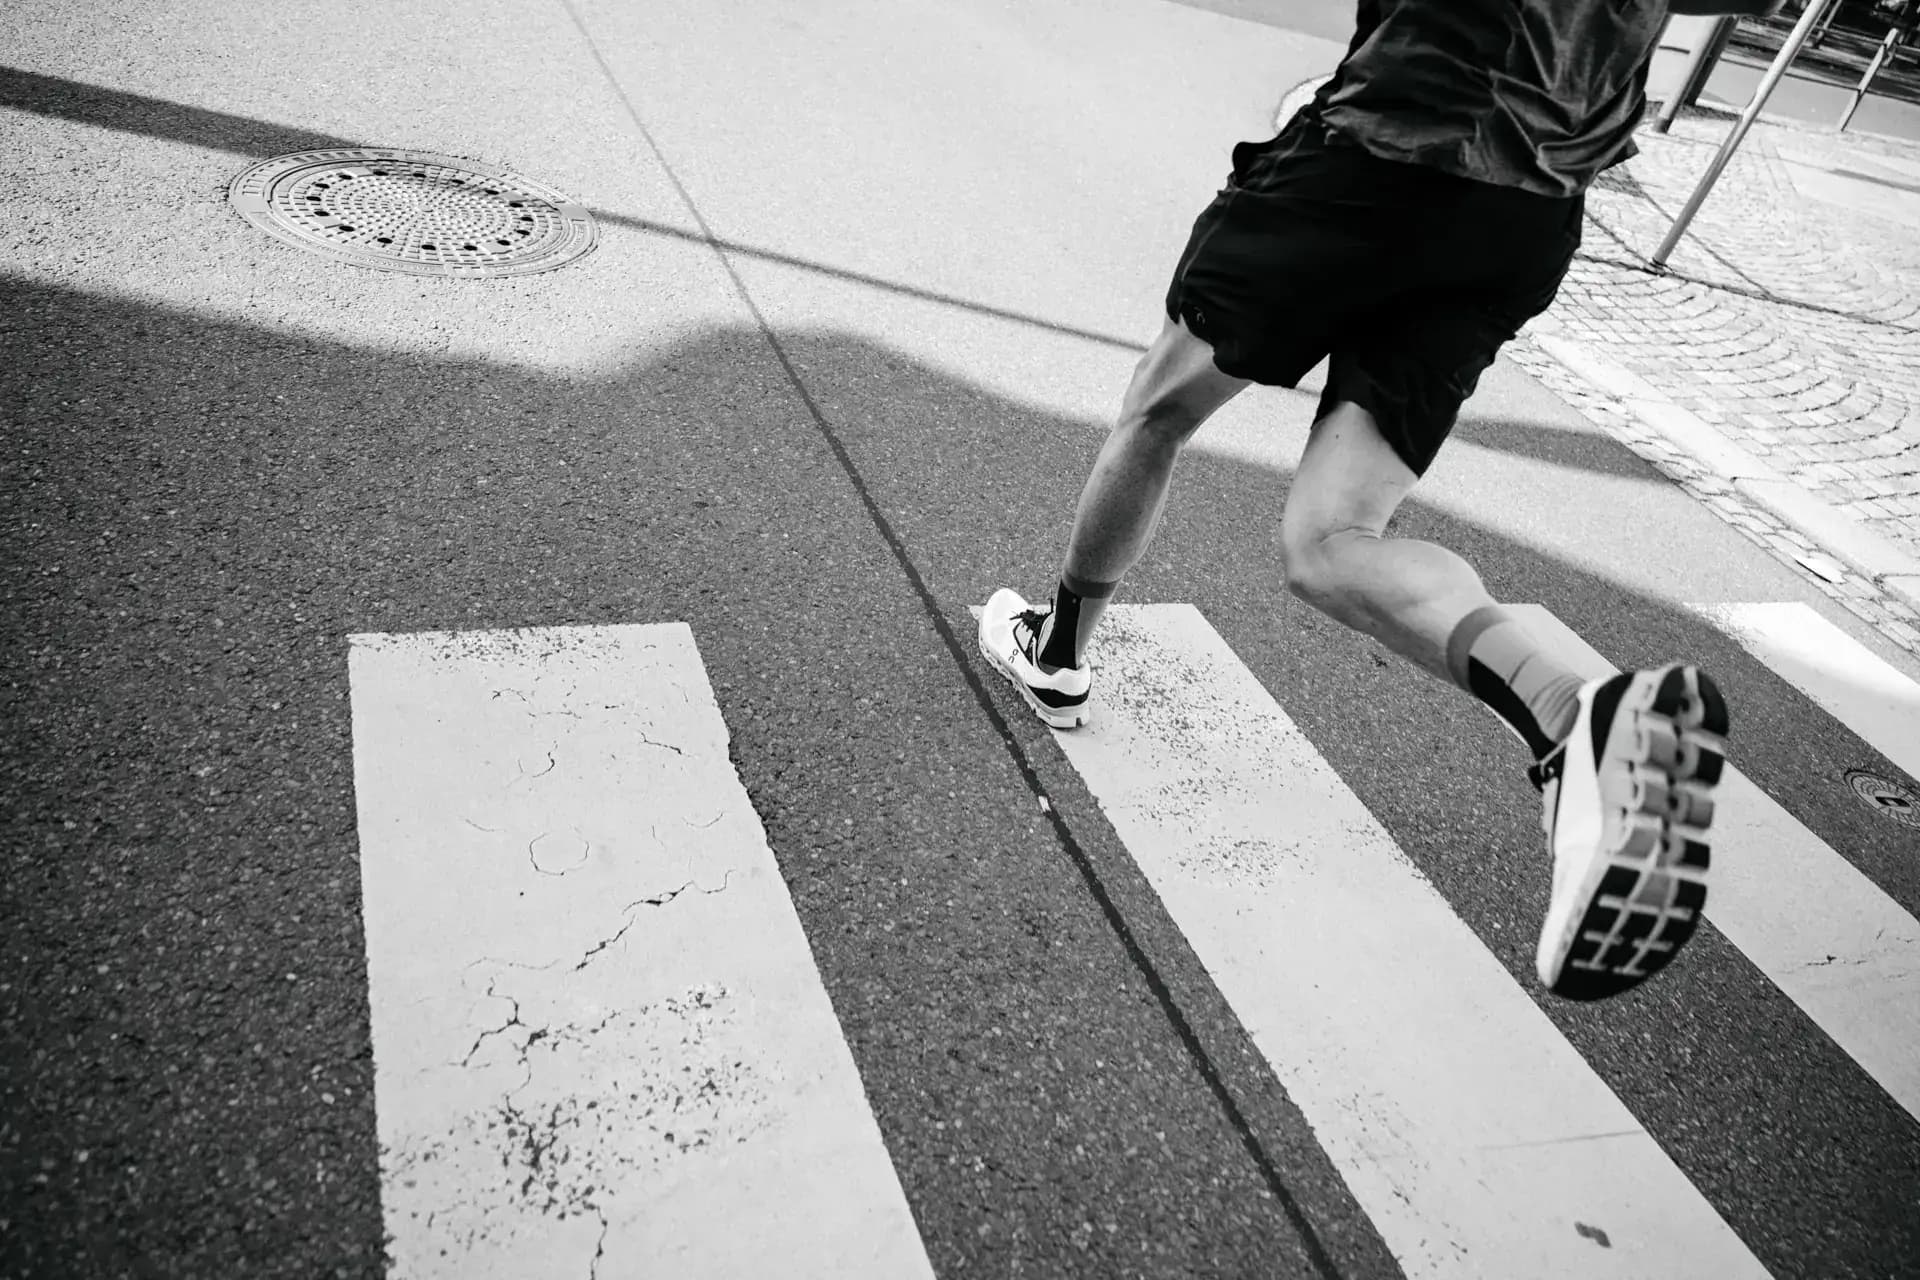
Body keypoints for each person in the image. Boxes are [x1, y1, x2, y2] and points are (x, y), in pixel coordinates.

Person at [978, 0, 1777, 1001]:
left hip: (1385, 150)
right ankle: (1577, 713)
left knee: (1158, 411)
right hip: (1525, 217)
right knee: (1332, 539)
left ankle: (1057, 654)